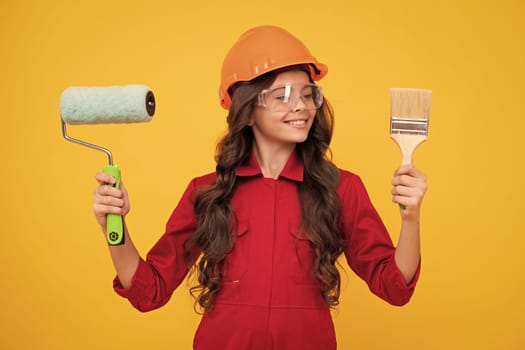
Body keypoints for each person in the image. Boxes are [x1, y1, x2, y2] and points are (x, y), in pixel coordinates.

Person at [93, 25, 427, 349]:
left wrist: (410, 216)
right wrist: (115, 226)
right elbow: (149, 291)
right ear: (248, 110)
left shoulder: (341, 188)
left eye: (308, 94)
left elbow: (394, 287)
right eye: (282, 96)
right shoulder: (207, 193)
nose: (301, 106)